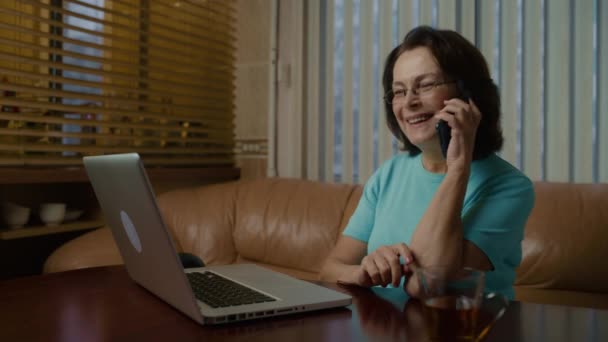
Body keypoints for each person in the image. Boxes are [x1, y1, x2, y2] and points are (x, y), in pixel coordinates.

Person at [319, 26, 535, 300]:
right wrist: (361, 272)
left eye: (425, 85)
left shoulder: (510, 188)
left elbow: (425, 285)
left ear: (468, 94)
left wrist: (457, 169)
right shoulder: (388, 174)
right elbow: (328, 270)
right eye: (399, 91)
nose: (409, 102)